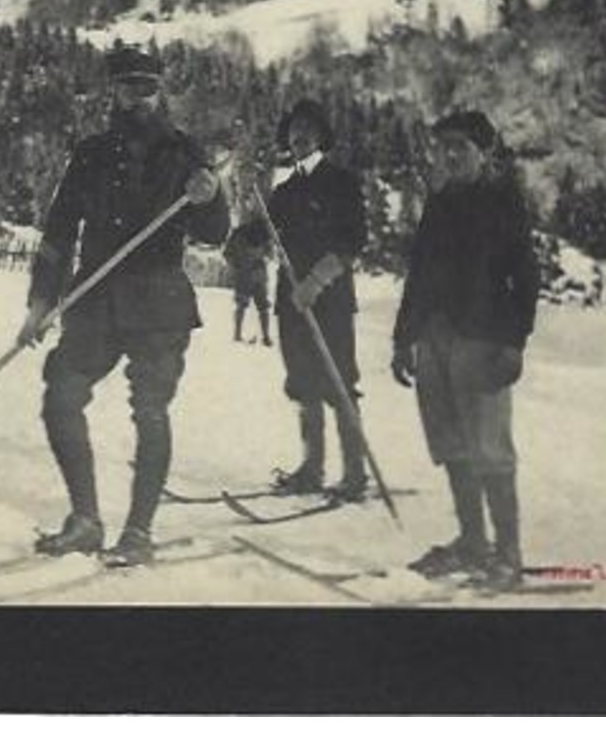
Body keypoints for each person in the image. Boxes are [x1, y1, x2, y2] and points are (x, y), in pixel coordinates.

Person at [16, 43, 229, 567]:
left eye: (146, 88)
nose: (136, 98)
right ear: (112, 90)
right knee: (61, 395)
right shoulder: (91, 154)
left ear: (160, 91)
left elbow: (213, 234)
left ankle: (139, 531)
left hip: (158, 303)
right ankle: (85, 520)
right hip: (95, 299)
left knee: (150, 409)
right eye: (126, 87)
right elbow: (59, 231)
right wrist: (41, 300)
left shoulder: (184, 153)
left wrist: (212, 195)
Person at [391, 109, 539, 592]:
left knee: (490, 450)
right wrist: (402, 338)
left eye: (462, 147)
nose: (451, 155)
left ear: (484, 151)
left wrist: (514, 343)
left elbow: (526, 277)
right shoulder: (440, 203)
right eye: (444, 146)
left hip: (483, 340)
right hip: (434, 341)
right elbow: (418, 276)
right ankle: (473, 541)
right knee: (451, 445)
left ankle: (508, 555)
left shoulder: (502, 202)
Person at [264, 99, 369, 501]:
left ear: (321, 135)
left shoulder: (341, 181)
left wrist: (318, 278)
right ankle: (312, 468)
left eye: (307, 129)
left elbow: (354, 239)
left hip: (331, 301)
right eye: (293, 130)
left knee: (340, 383)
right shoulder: (285, 190)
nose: (299, 136)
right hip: (291, 302)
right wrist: (244, 242)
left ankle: (355, 474)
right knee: (302, 383)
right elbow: (265, 233)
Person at [222, 215, 273, 345]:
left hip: (250, 274)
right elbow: (228, 254)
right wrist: (236, 265)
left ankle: (261, 335)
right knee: (253, 305)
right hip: (249, 274)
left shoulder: (261, 233)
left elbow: (228, 254)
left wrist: (236, 265)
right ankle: (242, 334)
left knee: (257, 306)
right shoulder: (258, 233)